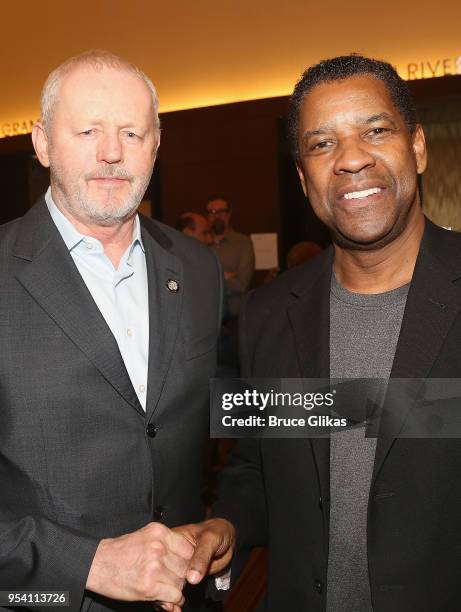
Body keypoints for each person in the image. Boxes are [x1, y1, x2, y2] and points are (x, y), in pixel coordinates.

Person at [178, 55, 461, 612]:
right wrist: (225, 524)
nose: (352, 159)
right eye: (322, 144)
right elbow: (253, 467)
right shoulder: (266, 313)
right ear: (304, 180)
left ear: (419, 148)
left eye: (375, 130)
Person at [0, 50, 223, 612]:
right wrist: (86, 563)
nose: (111, 152)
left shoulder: (197, 267)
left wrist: (229, 519)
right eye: (88, 130)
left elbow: (219, 417)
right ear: (42, 142)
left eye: (131, 131)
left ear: (156, 144)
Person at [207, 197, 255, 318]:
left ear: (229, 214)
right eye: (212, 212)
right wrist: (224, 275)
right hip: (205, 317)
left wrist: (210, 277)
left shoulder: (243, 243)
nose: (217, 216)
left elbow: (242, 285)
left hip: (235, 318)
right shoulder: (199, 243)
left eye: (221, 212)